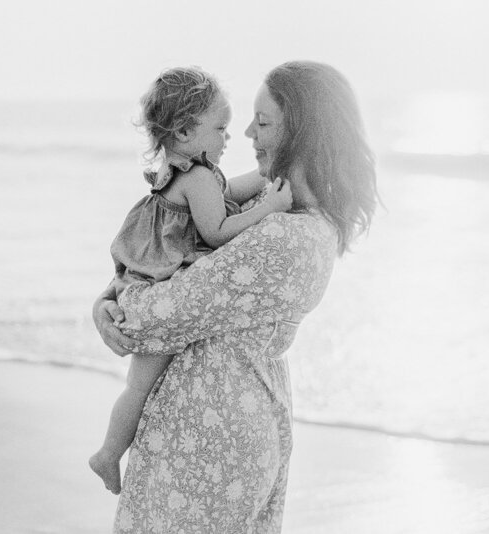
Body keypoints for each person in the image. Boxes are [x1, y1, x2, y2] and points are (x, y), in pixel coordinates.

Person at [93, 60, 378, 533]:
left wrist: (114, 308)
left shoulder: (289, 237)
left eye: (263, 123)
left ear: (305, 136)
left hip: (210, 448)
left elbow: (155, 316)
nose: (246, 132)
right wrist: (104, 301)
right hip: (201, 441)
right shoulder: (274, 207)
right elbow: (166, 255)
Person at [88, 66, 293, 496]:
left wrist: (270, 175)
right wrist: (268, 209)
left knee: (139, 385)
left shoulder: (192, 171)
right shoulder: (197, 178)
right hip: (155, 287)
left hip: (145, 280)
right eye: (219, 128)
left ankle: (110, 451)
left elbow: (230, 191)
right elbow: (217, 229)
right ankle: (108, 453)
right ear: (183, 131)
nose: (228, 137)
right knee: (138, 387)